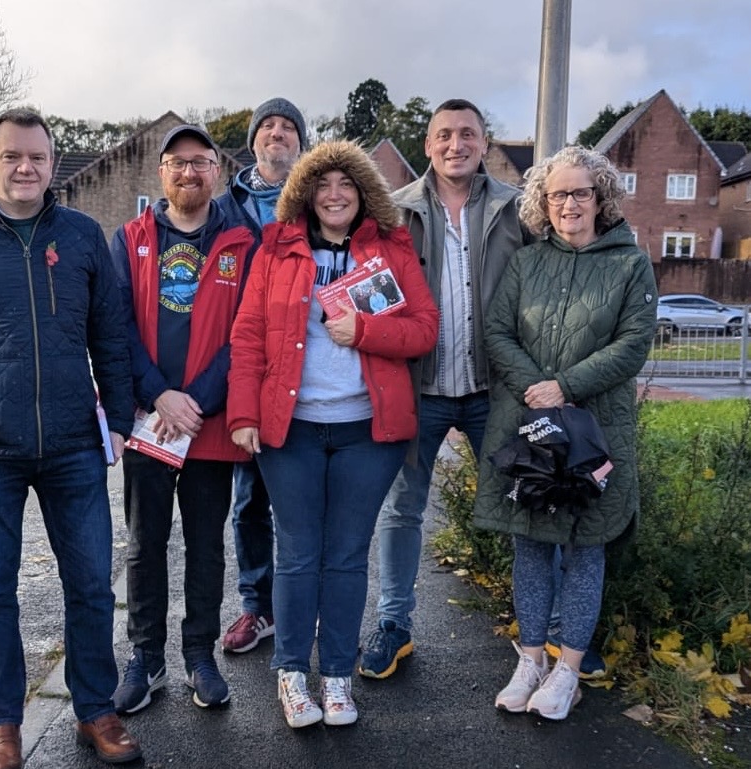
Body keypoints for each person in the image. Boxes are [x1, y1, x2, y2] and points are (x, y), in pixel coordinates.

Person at [0, 108, 140, 768]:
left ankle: (96, 708)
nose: (24, 167)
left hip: (73, 443)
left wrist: (117, 419)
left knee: (93, 582)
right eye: (10, 156)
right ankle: (2, 721)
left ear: (51, 162)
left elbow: (111, 335)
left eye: (36, 156)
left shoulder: (84, 235)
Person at [227, 141, 438, 728]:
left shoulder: (390, 248)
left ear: (364, 191)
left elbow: (424, 329)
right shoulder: (276, 248)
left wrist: (364, 329)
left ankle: (338, 677)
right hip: (290, 430)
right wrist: (243, 414)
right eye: (324, 184)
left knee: (346, 556)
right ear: (306, 193)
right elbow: (247, 337)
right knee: (297, 554)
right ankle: (293, 676)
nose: (336, 194)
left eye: (347, 183)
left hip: (367, 433)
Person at [477, 145, 657, 720]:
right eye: (559, 194)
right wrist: (538, 387)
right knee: (529, 541)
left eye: (581, 192)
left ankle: (568, 670)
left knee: (585, 547)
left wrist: (566, 385)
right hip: (530, 425)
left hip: (596, 433)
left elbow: (633, 343)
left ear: (600, 197)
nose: (570, 204)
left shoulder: (629, 263)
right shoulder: (528, 262)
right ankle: (530, 658)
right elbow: (498, 329)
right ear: (543, 202)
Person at [360, 99, 530, 680]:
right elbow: (371, 291)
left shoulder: (518, 210)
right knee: (402, 509)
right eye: (443, 135)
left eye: (468, 134)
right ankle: (394, 626)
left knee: (525, 505)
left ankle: (545, 631)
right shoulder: (394, 212)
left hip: (495, 390)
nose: (455, 144)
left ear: (484, 143)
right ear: (428, 145)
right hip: (419, 388)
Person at [109, 125, 254, 714]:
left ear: (216, 170)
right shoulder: (130, 238)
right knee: (145, 544)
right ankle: (146, 656)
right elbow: (115, 327)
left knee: (205, 545)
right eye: (177, 163)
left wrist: (194, 400)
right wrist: (159, 395)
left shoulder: (245, 241)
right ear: (161, 172)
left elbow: (247, 332)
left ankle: (199, 653)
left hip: (209, 424)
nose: (189, 172)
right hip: (150, 422)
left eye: (200, 162)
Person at [217, 97, 308, 655]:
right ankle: (258, 608)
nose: (277, 134)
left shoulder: (315, 202)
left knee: (301, 500)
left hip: (303, 368)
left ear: (302, 143)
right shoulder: (225, 205)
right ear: (252, 141)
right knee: (248, 499)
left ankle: (304, 607)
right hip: (241, 365)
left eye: (288, 128)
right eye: (267, 127)